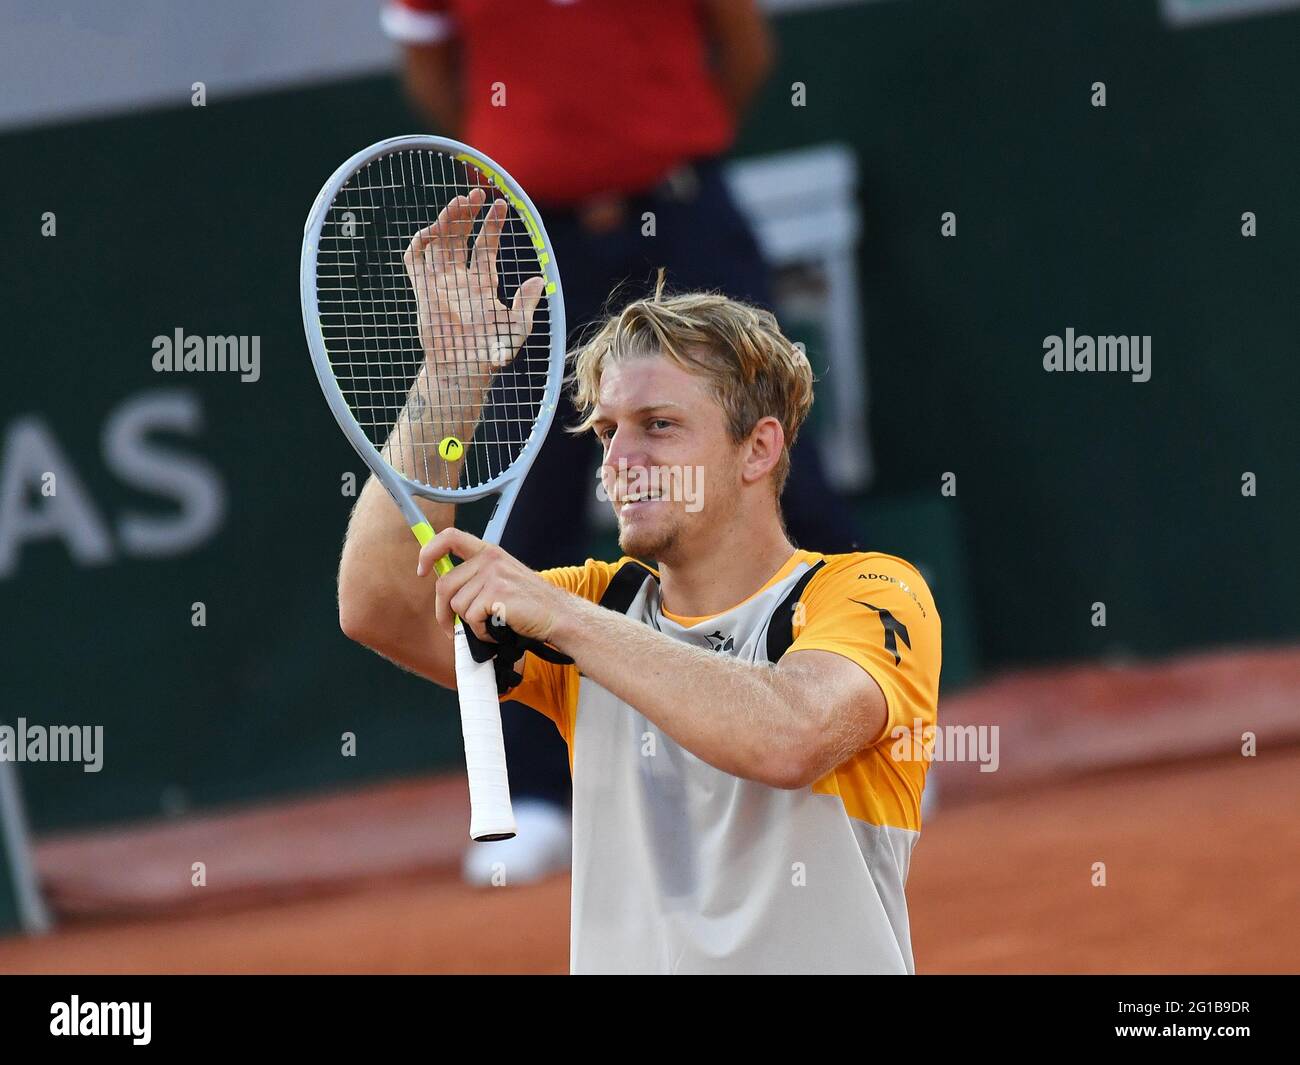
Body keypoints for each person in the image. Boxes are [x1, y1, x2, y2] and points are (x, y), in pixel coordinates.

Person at [337, 192, 940, 973]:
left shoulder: (867, 592)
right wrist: (452, 380)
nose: (619, 461)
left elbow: (790, 735)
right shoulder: (596, 607)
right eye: (608, 431)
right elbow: (381, 604)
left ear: (757, 451)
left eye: (659, 426)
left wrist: (560, 617)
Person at [381, 0, 865, 885]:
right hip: (535, 240)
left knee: (780, 478)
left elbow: (744, 46)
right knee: (523, 523)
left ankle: (857, 734)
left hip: (685, 216)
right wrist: (537, 160)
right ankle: (531, 798)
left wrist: (656, 139)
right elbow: (432, 71)